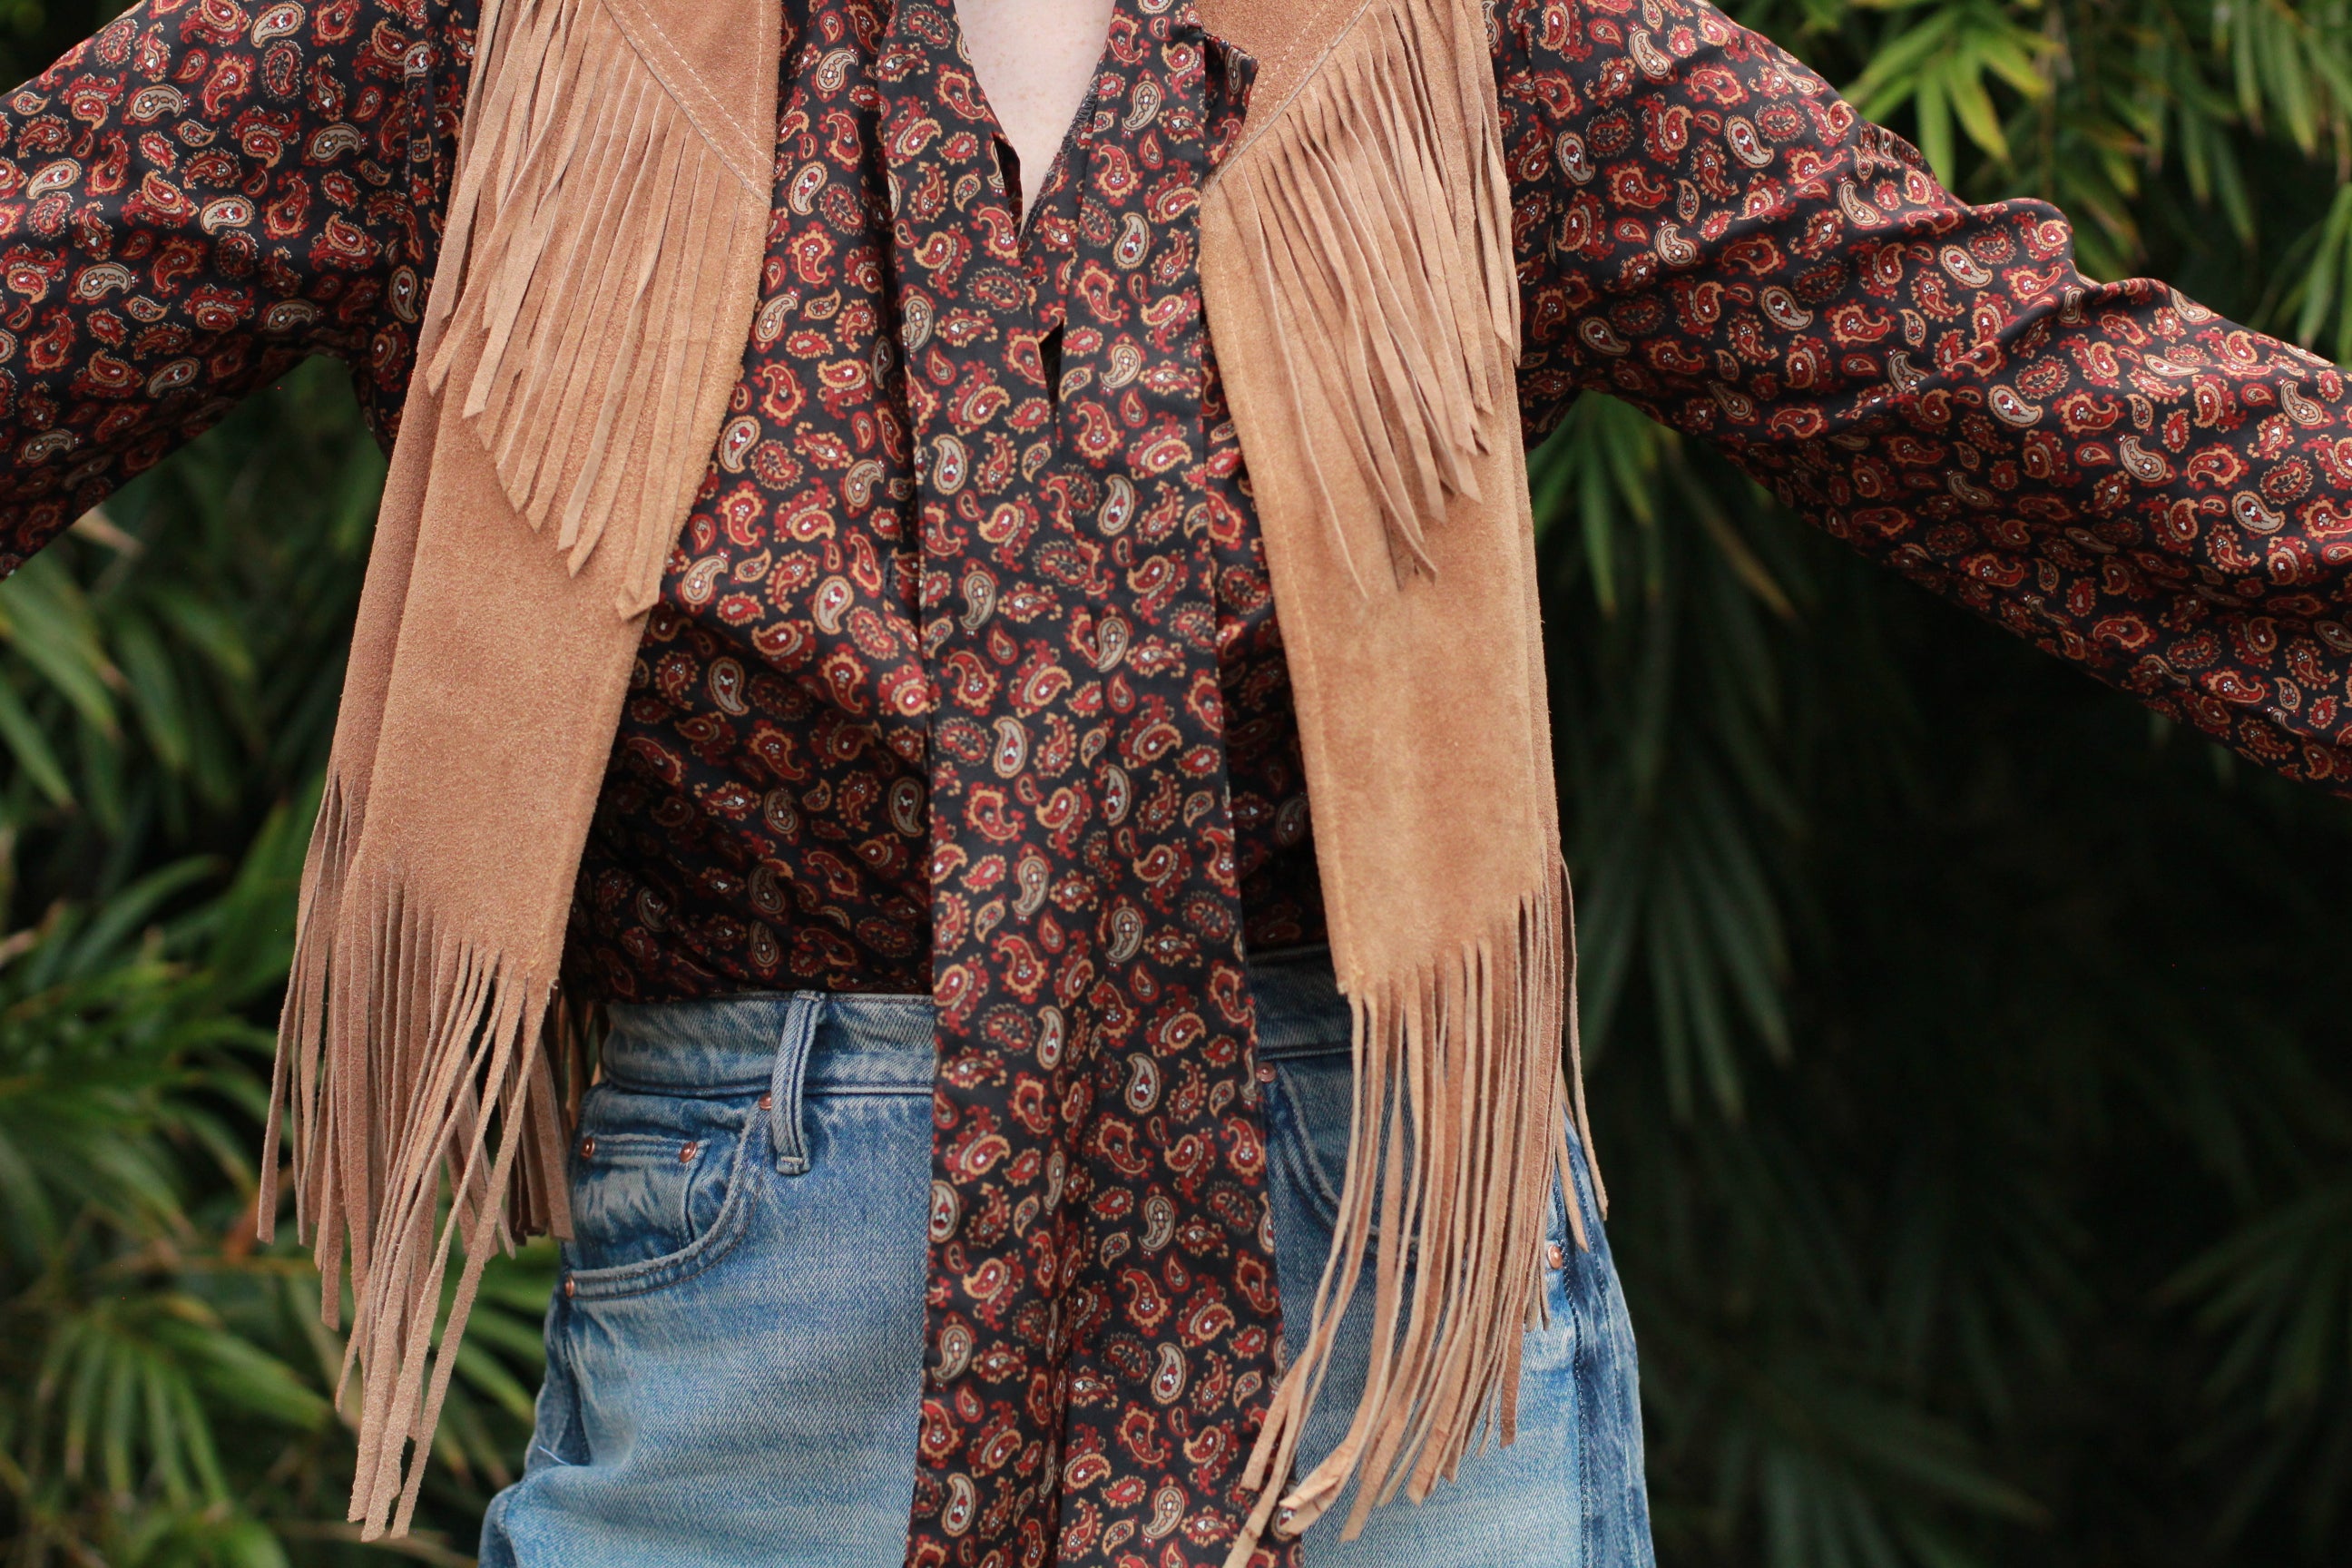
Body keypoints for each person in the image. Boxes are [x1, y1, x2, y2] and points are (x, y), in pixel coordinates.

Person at [0, 0, 2344, 1563]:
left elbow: (2048, 413)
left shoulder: (1455, 54)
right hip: (770, 1302)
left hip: (1383, 1296)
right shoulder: (487, 45)